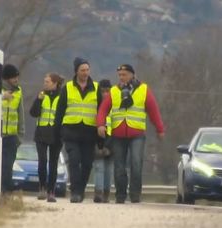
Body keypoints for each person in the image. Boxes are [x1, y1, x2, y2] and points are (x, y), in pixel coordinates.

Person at [97, 64, 164, 203]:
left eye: (124, 74)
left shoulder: (143, 89)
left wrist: (160, 129)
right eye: (120, 75)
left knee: (136, 163)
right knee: (119, 166)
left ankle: (135, 194)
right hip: (118, 134)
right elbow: (103, 109)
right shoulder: (114, 91)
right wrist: (101, 125)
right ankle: (120, 195)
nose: (121, 77)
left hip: (136, 134)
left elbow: (153, 110)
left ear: (132, 75)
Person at [55, 57, 102, 203]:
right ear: (76, 71)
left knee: (87, 163)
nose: (85, 73)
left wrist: (102, 135)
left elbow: (101, 111)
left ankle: (81, 190)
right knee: (74, 160)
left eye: (87, 70)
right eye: (82, 70)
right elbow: (60, 111)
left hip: (89, 133)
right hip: (71, 132)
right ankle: (75, 191)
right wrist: (58, 132)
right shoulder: (67, 88)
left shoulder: (96, 87)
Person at [29, 73, 65, 203]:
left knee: (53, 163)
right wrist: (38, 100)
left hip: (56, 133)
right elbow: (33, 113)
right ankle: (42, 188)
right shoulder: (41, 95)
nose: (45, 84)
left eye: (47, 82)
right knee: (42, 161)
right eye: (44, 81)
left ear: (55, 83)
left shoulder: (62, 96)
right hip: (41, 132)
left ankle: (51, 192)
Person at [1, 63, 25, 194]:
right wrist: (2, 97)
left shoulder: (19, 91)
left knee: (8, 165)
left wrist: (20, 136)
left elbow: (20, 114)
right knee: (0, 165)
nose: (16, 79)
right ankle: (1, 190)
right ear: (7, 78)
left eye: (17, 77)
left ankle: (6, 192)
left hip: (12, 137)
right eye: (14, 77)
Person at [93, 79, 113, 203]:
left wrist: (110, 146)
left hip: (112, 142)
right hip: (98, 141)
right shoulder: (95, 106)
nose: (105, 94)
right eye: (102, 91)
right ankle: (98, 193)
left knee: (109, 169)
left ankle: (106, 193)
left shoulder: (114, 106)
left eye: (107, 91)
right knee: (99, 167)